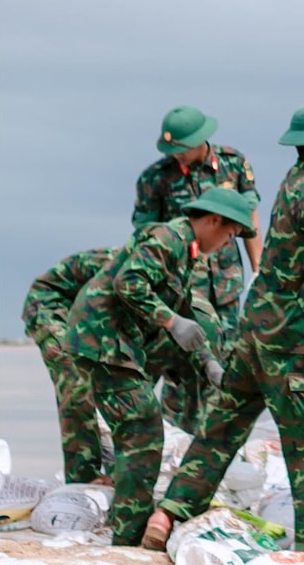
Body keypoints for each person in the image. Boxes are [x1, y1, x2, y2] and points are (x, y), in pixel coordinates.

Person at [146, 101, 304, 554]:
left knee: (220, 430)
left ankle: (167, 514)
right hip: (293, 341)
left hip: (257, 331)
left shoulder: (303, 183)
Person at [63, 188, 254, 546]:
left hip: (117, 342)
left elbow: (184, 317)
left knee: (138, 431)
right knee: (142, 429)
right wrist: (171, 322)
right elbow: (129, 283)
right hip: (102, 338)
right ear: (213, 221)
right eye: (229, 234)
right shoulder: (169, 237)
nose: (228, 243)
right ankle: (128, 537)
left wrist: (208, 363)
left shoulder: (185, 251)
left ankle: (128, 532)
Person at [132, 105, 261, 430]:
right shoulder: (155, 178)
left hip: (227, 284)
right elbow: (144, 234)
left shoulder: (233, 163)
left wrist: (258, 269)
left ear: (201, 140)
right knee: (183, 359)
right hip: (184, 286)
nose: (177, 156)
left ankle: (217, 437)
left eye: (182, 148)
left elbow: (250, 219)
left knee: (226, 355)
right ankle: (177, 435)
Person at [22, 248, 118, 485]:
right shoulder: (140, 266)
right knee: (76, 383)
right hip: (52, 307)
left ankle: (115, 472)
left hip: (88, 317)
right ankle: (83, 479)